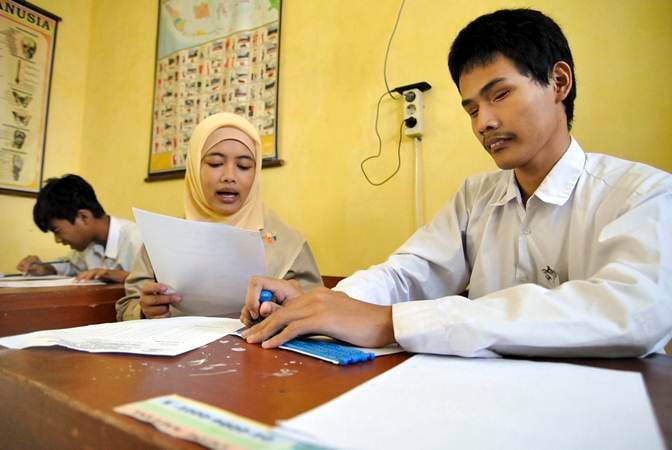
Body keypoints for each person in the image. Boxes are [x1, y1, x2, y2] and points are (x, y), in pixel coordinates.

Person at [239, 8, 672, 358]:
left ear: (559, 81)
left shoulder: (641, 194)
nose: (485, 122)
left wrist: (393, 323)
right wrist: (320, 306)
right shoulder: (475, 197)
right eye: (471, 109)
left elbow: (633, 313)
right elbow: (409, 273)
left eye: (500, 94)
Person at [116, 112, 322, 320]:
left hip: (257, 350)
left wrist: (286, 308)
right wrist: (143, 310)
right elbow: (127, 306)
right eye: (215, 163)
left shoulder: (287, 245)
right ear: (195, 167)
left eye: (243, 166)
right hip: (178, 350)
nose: (229, 177)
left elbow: (318, 312)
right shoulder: (162, 238)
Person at [16, 174, 142, 283]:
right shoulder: (88, 245)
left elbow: (159, 282)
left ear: (83, 217)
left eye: (57, 231)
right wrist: (46, 268)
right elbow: (70, 265)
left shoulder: (139, 240)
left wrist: (124, 277)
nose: (57, 240)